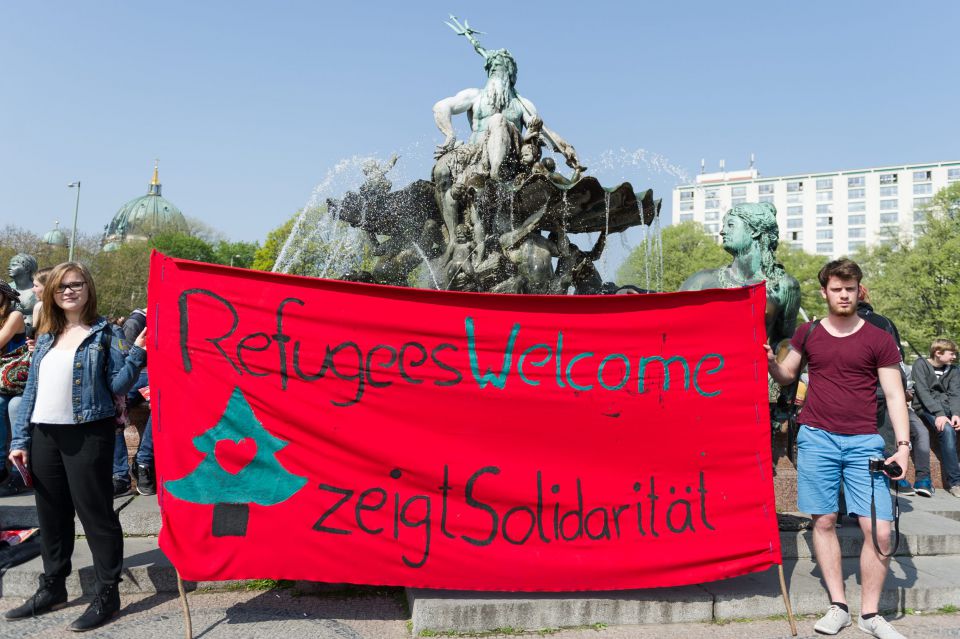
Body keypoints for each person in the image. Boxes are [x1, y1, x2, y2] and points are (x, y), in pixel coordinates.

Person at [766, 259, 910, 639]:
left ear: (858, 290)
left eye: (849, 289)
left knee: (879, 531)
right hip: (817, 438)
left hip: (865, 442)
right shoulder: (808, 332)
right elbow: (787, 374)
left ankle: (870, 613)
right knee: (824, 521)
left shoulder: (878, 338)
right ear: (825, 292)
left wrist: (904, 446)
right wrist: (769, 363)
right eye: (836, 289)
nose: (843, 295)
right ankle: (839, 606)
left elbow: (895, 395)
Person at [5, 262, 146, 631]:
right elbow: (32, 392)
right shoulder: (47, 335)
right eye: (61, 286)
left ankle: (107, 592)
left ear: (88, 288)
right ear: (51, 293)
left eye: (76, 284)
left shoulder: (105, 334)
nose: (69, 290)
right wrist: (20, 439)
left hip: (88, 433)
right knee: (51, 517)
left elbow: (118, 385)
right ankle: (53, 586)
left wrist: (138, 354)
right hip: (44, 435)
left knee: (95, 514)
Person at [857, 286, 932, 496]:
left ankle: (842, 510)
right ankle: (884, 490)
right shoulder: (884, 323)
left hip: (848, 397)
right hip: (882, 393)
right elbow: (896, 360)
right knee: (882, 448)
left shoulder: (833, 323)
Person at [112, 308, 155, 496]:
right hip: (138, 377)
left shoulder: (179, 313)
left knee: (165, 407)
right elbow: (126, 362)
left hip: (162, 376)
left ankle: (143, 462)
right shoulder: (136, 322)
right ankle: (120, 475)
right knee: (114, 409)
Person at [911, 338, 960, 498]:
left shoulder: (953, 370)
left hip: (946, 409)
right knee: (946, 430)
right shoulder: (921, 365)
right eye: (951, 353)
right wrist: (939, 414)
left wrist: (956, 414)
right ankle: (955, 482)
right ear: (938, 353)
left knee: (951, 426)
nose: (954, 356)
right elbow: (923, 392)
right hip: (925, 408)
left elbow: (954, 394)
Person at [0, 282, 27, 484]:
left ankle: (21, 472)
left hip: (19, 381)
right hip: (1, 382)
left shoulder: (14, 315)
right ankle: (1, 468)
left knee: (16, 407)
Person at [7, 253, 38, 331]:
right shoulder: (6, 289)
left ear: (27, 269)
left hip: (33, 334)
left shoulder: (38, 289)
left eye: (14, 265)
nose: (9, 268)